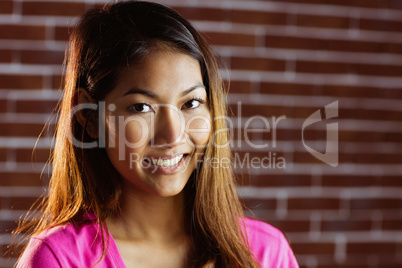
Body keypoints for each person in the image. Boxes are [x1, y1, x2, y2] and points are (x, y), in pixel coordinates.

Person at [15, 1, 299, 267]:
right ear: (90, 118)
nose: (172, 134)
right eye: (141, 107)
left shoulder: (266, 253)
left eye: (191, 103)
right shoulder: (61, 257)